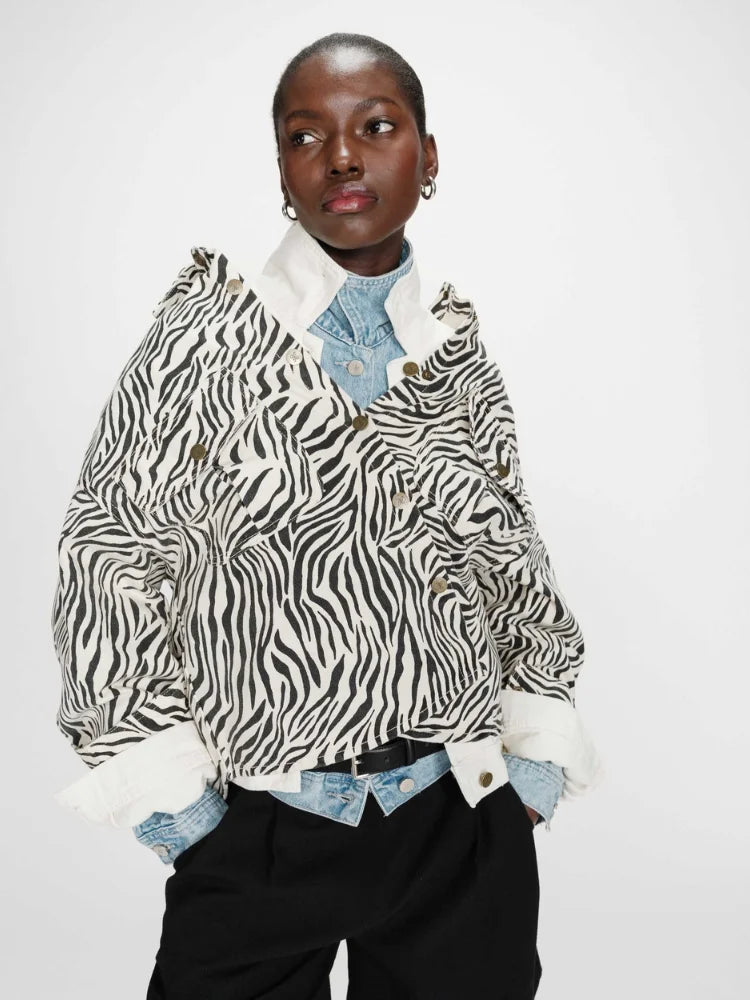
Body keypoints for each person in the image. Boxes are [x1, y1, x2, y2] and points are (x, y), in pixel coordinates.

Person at [50, 31, 602, 1000]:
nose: (342, 155)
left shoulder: (455, 354)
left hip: (458, 816)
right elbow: (109, 563)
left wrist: (535, 770)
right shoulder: (204, 338)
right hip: (267, 830)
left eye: (376, 127)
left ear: (427, 157)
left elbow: (513, 566)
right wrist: (189, 821)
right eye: (306, 136)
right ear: (283, 172)